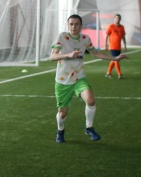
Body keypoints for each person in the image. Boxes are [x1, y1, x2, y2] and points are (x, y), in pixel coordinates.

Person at [51, 14, 127, 143]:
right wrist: (68, 55)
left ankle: (89, 128)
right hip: (63, 81)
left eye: (76, 24)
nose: (73, 26)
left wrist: (115, 58)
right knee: (62, 113)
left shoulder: (85, 39)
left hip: (79, 78)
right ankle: (60, 130)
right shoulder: (62, 36)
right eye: (71, 24)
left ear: (81, 26)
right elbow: (53, 57)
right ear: (68, 25)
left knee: (91, 101)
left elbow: (96, 53)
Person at [105, 14, 127, 79]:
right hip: (112, 46)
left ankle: (108, 73)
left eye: (119, 18)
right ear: (114, 19)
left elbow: (123, 37)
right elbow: (107, 35)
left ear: (120, 19)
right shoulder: (111, 26)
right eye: (116, 18)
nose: (118, 19)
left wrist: (125, 45)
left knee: (114, 60)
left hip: (118, 46)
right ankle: (119, 74)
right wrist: (106, 44)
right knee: (116, 59)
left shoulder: (122, 27)